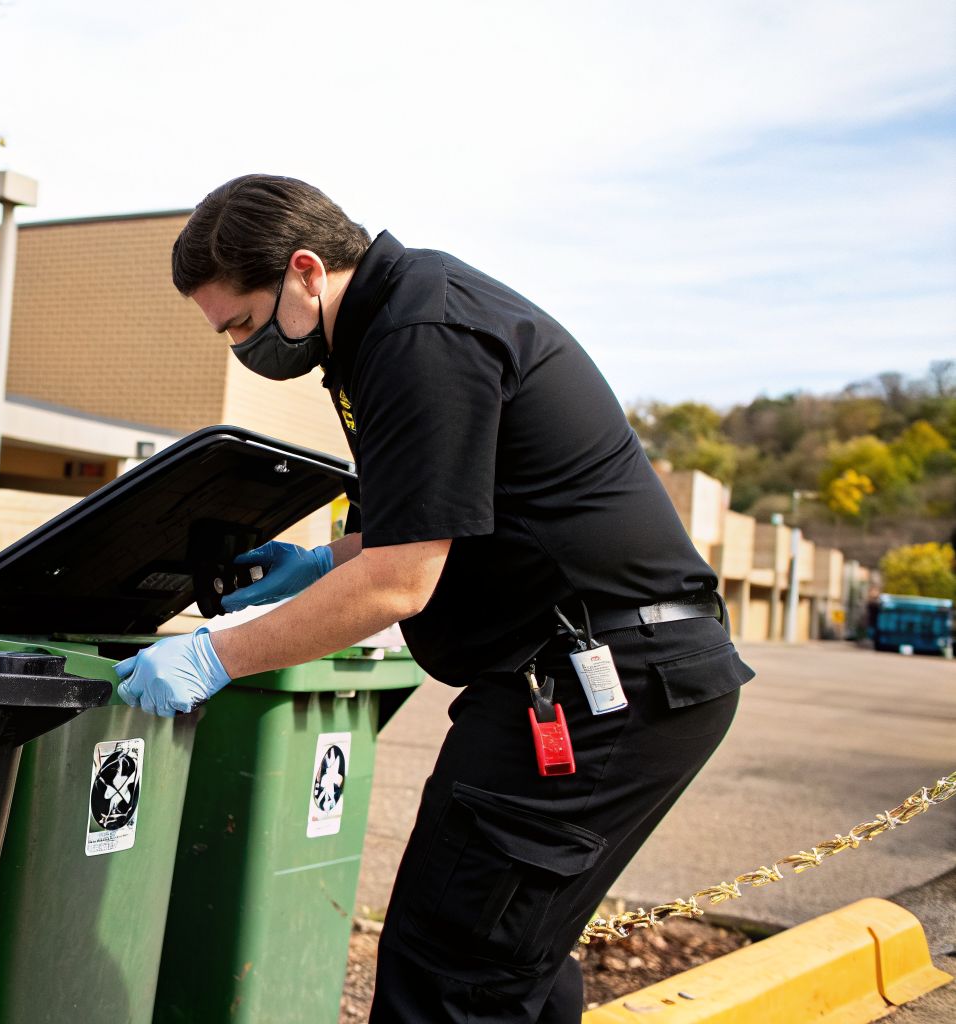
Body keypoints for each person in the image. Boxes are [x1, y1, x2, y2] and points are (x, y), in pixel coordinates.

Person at [114, 174, 753, 1024]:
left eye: (241, 322)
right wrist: (316, 560)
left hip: (606, 680)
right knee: (509, 962)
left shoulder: (423, 333)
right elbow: (430, 525)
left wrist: (212, 654)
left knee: (449, 973)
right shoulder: (384, 326)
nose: (240, 347)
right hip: (603, 672)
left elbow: (398, 582)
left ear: (305, 271)